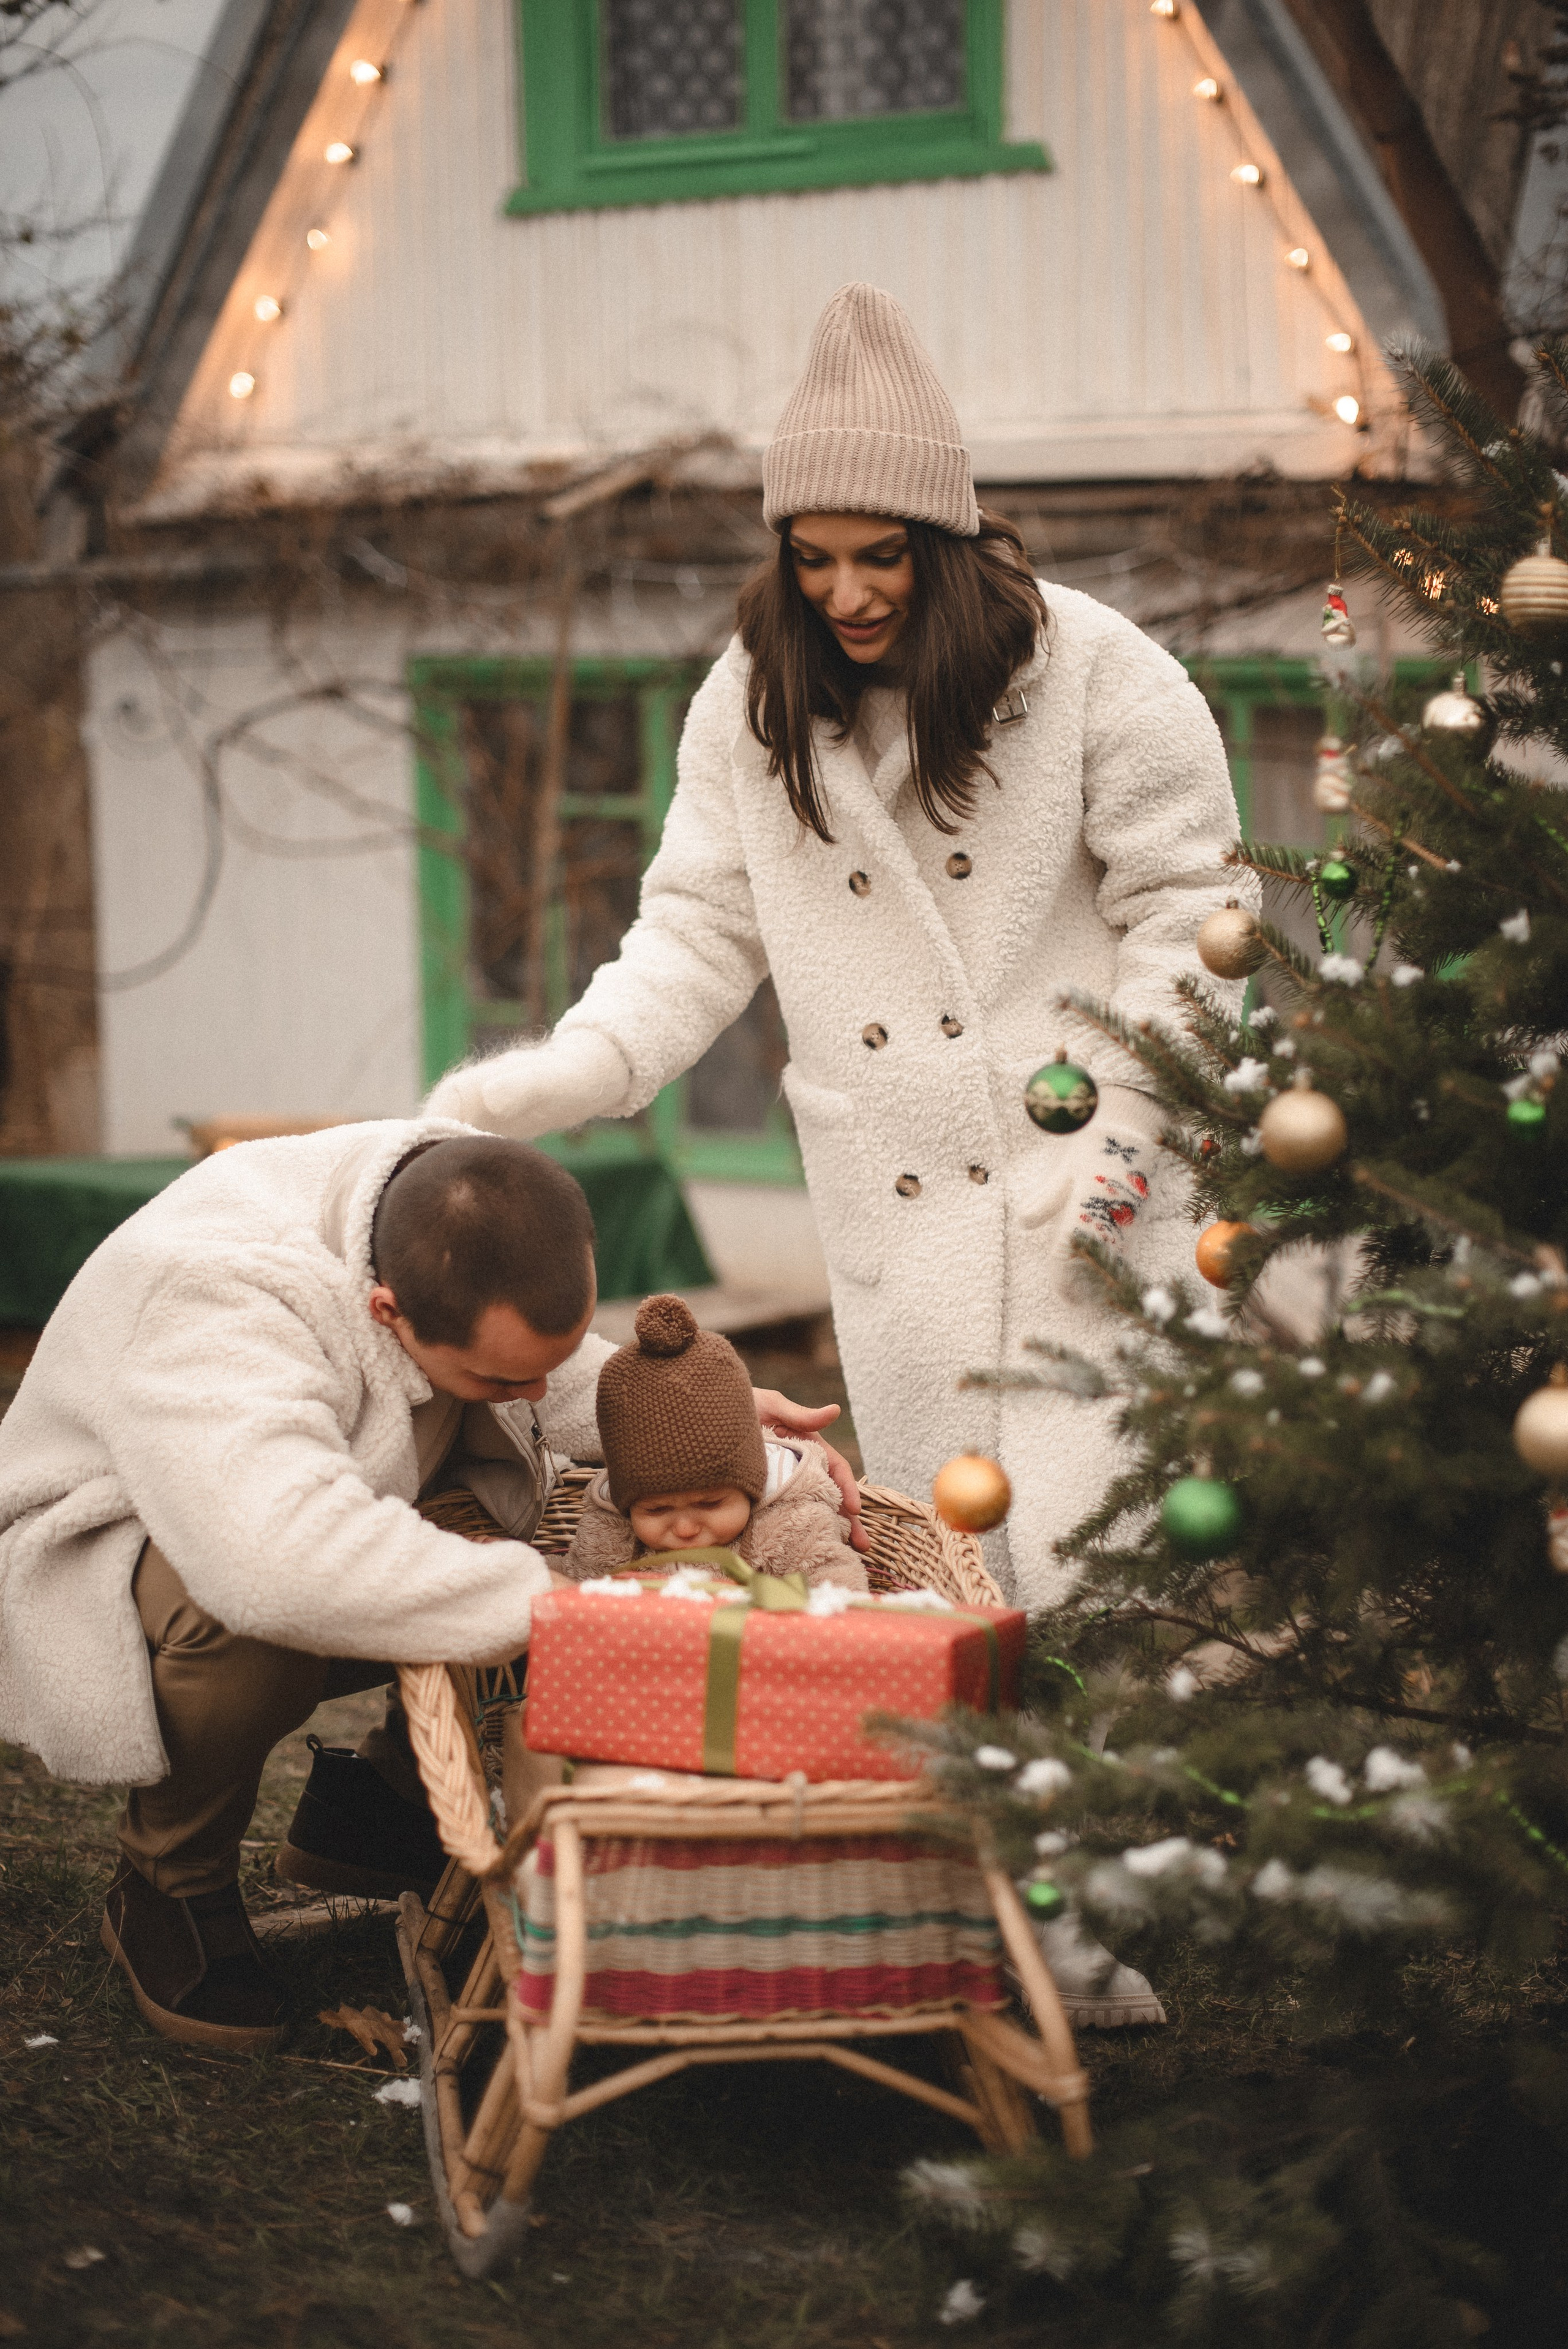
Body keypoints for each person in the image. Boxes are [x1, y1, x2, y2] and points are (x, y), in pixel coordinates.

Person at [427, 283, 1251, 1610]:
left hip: (1093, 1185)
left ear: (946, 536)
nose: (845, 591)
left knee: (1118, 1569)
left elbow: (1196, 919)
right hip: (903, 1209)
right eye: (811, 556)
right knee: (951, 1571)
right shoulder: (752, 703)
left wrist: (1121, 1130)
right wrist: (584, 1065)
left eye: (880, 554)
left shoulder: (1098, 671)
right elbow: (697, 927)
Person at [0, 1123, 856, 2051]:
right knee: (260, 1625)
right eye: (501, 1376)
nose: (533, 1391)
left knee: (482, 1493)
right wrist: (559, 1606)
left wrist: (704, 1415)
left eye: (542, 1365)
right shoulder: (216, 1298)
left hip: (295, 1492)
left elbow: (540, 1359)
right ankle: (170, 1879)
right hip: (122, 1539)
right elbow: (270, 1562)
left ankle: (382, 1802)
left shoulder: (451, 1205)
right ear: (385, 1311)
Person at [563, 1292, 867, 1590]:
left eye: (710, 1504)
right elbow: (573, 1582)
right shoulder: (611, 1532)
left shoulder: (787, 1524)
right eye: (656, 1510)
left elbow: (833, 1579)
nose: (685, 1529)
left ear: (754, 1485)